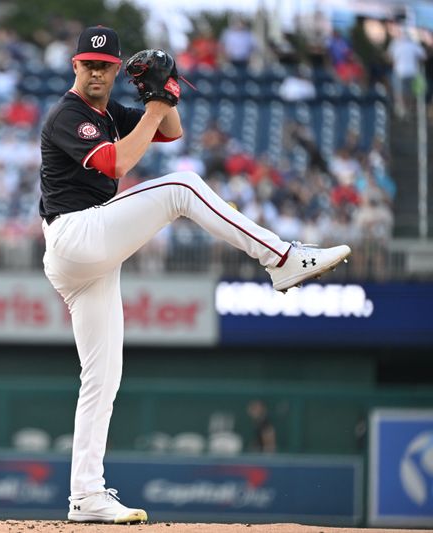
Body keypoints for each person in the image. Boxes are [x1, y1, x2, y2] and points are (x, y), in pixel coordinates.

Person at [38, 25, 351, 524]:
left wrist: (166, 93)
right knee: (182, 185)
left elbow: (171, 131)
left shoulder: (108, 111)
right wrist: (159, 101)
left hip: (90, 256)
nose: (96, 72)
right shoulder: (68, 114)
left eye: (104, 65)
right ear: (75, 66)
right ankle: (281, 258)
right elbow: (116, 163)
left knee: (102, 378)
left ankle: (85, 495)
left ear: (116, 70)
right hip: (75, 236)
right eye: (88, 64)